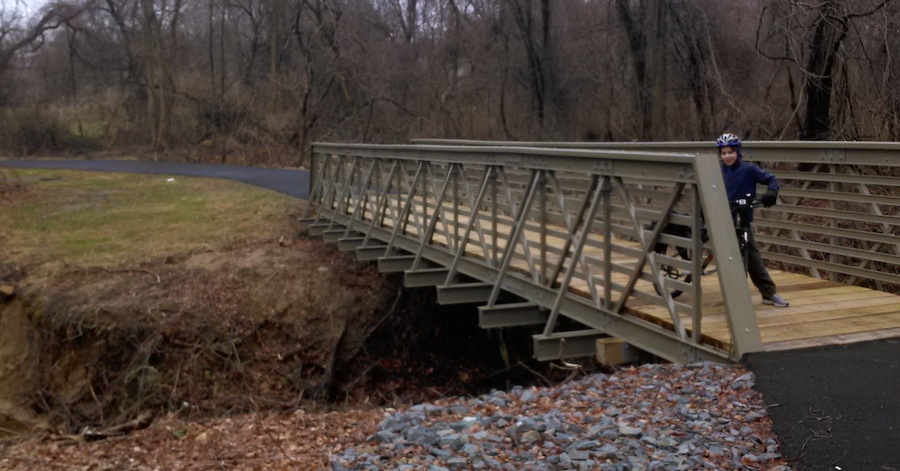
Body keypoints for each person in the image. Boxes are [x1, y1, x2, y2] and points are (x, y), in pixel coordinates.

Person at [716, 132, 789, 307]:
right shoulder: (716, 171)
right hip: (721, 220)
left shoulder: (748, 169)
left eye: (730, 152)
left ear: (738, 152)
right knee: (729, 257)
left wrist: (772, 192)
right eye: (723, 153)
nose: (727, 156)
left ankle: (768, 293)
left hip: (743, 220)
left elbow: (771, 179)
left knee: (752, 256)